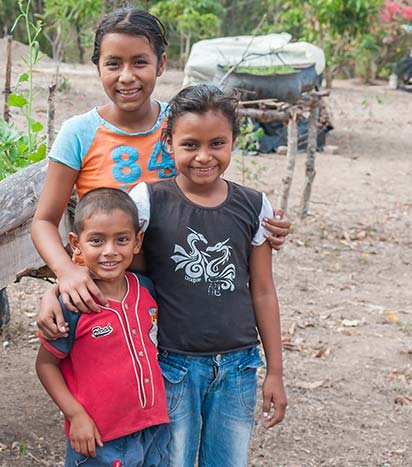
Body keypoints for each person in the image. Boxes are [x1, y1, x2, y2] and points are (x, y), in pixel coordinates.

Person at [31, 7, 291, 333]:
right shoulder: (79, 133)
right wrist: (66, 274)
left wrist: (263, 222)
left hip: (174, 289)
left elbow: (208, 186)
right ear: (97, 66)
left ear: (161, 64)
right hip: (107, 286)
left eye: (140, 62)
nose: (127, 76)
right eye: (114, 63)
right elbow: (44, 221)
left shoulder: (185, 120)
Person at [126, 83, 287, 465]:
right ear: (168, 143)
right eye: (190, 144)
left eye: (217, 143)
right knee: (171, 460)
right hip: (172, 365)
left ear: (233, 142)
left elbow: (262, 290)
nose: (203, 156)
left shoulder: (254, 204)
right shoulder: (148, 201)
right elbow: (122, 271)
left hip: (239, 367)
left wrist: (275, 371)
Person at [36, 187, 169, 467]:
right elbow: (46, 365)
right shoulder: (71, 304)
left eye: (121, 239)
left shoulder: (146, 290)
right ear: (76, 243)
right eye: (96, 240)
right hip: (99, 440)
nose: (110, 251)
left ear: (137, 241)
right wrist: (75, 415)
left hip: (154, 430)